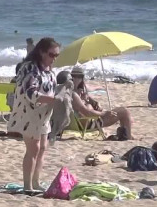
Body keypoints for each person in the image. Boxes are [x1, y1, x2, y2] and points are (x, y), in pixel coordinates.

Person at [8, 38, 60, 192]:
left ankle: (36, 182)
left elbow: (51, 88)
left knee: (43, 147)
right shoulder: (31, 69)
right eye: (52, 55)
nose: (54, 58)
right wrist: (53, 99)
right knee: (34, 148)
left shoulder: (49, 70)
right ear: (42, 52)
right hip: (29, 113)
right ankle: (27, 186)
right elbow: (31, 93)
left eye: (57, 55)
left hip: (43, 115)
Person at [69, 67, 133, 139]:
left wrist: (89, 101)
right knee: (124, 112)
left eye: (79, 77)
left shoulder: (71, 92)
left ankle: (126, 135)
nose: (77, 79)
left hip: (86, 121)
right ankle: (128, 136)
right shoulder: (73, 95)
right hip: (89, 123)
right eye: (74, 76)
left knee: (122, 111)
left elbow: (84, 108)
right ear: (71, 78)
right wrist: (104, 113)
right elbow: (87, 112)